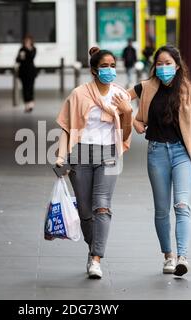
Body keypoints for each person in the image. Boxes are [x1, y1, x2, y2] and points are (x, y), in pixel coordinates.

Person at [129, 45, 191, 277]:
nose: (163, 67)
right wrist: (134, 121)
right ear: (154, 66)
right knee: (161, 210)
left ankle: (182, 256)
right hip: (156, 153)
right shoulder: (146, 88)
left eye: (168, 63)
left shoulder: (188, 92)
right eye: (159, 63)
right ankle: (168, 256)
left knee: (182, 205)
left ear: (177, 66)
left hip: (182, 154)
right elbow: (118, 97)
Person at [55, 47, 134, 280]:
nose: (109, 70)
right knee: (85, 211)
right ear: (93, 70)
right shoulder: (79, 94)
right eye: (104, 66)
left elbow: (126, 133)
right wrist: (61, 158)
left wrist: (127, 112)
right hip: (80, 155)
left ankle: (96, 258)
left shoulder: (121, 95)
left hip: (109, 154)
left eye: (112, 66)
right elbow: (66, 128)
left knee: (102, 205)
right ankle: (94, 247)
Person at [16, 35, 37, 113]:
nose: (27, 42)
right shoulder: (21, 49)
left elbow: (32, 56)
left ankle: (31, 102)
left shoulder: (33, 49)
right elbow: (17, 59)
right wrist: (20, 57)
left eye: (28, 41)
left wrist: (28, 48)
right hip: (23, 71)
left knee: (30, 87)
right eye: (25, 41)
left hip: (31, 71)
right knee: (25, 88)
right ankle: (26, 104)